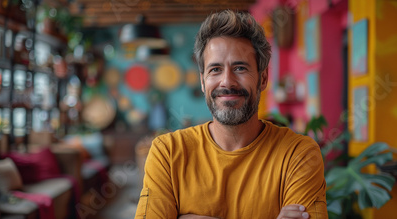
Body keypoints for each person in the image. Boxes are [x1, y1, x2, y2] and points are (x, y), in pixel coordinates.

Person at [135, 10, 327, 219]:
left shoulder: (298, 155)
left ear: (263, 79)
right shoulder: (168, 153)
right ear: (202, 81)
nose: (227, 81)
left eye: (240, 68)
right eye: (215, 69)